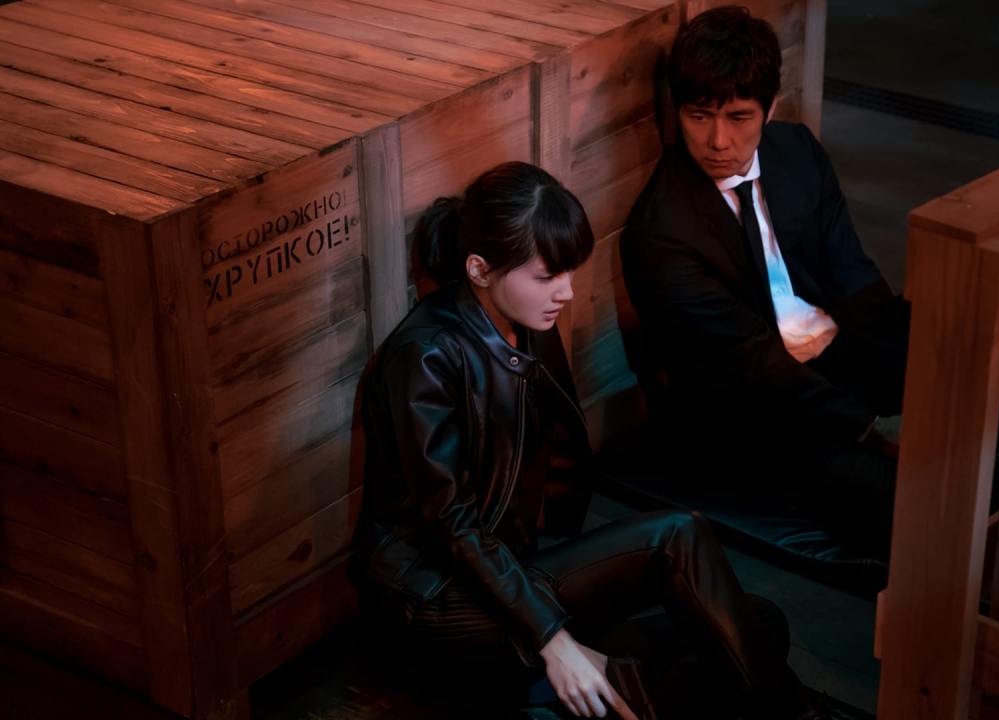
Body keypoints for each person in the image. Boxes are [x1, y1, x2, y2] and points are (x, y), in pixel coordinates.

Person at [348, 161, 848, 720]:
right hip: (433, 601)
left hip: (507, 574)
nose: (565, 292)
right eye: (546, 277)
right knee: (677, 538)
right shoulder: (425, 357)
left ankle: (604, 696)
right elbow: (454, 527)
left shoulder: (525, 322)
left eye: (568, 272)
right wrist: (555, 641)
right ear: (479, 269)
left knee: (757, 627)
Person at [620, 6, 911, 560]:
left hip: (833, 353)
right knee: (909, 504)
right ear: (678, 112)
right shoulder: (661, 232)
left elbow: (852, 274)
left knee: (964, 404)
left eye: (739, 117)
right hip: (753, 408)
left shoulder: (796, 151)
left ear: (769, 108)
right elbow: (751, 363)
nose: (718, 141)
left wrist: (909, 379)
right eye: (699, 116)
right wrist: (872, 427)